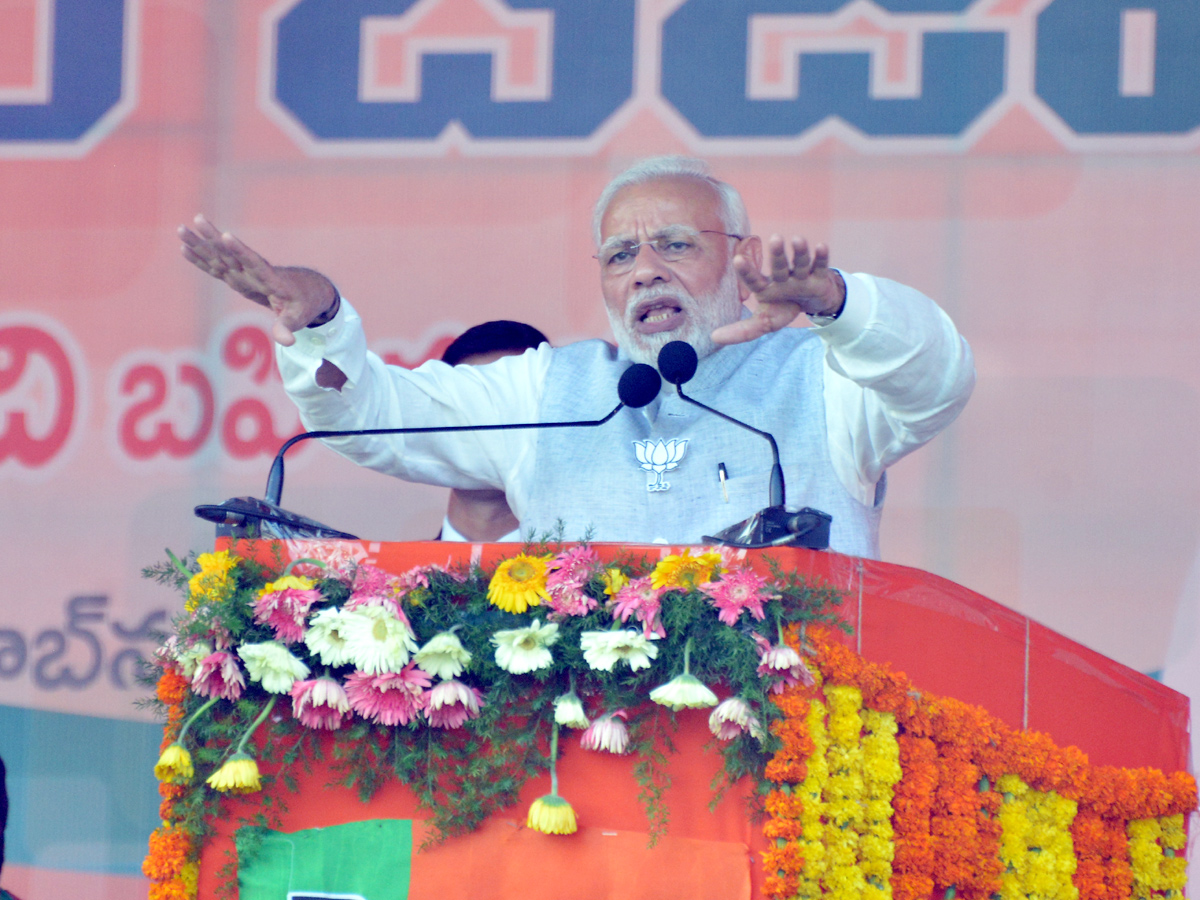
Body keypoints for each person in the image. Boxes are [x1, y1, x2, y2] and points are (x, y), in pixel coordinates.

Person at [179, 156, 974, 557]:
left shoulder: (825, 375)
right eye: (620, 254)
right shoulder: (550, 386)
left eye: (673, 245)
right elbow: (374, 417)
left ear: (744, 256)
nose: (645, 269)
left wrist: (835, 298)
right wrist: (319, 319)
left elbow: (939, 379)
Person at [437, 321, 549, 542]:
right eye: (469, 402)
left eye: (506, 403)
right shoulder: (387, 574)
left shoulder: (604, 576)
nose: (484, 425)